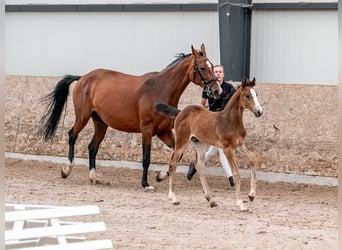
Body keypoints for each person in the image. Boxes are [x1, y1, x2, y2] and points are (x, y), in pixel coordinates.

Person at [187, 64, 236, 187]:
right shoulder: (208, 88)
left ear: (223, 74)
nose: (218, 74)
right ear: (213, 74)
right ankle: (231, 177)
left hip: (226, 123)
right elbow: (202, 105)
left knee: (212, 150)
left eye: (220, 72)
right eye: (216, 72)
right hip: (212, 122)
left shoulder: (229, 88)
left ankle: (194, 165)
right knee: (222, 150)